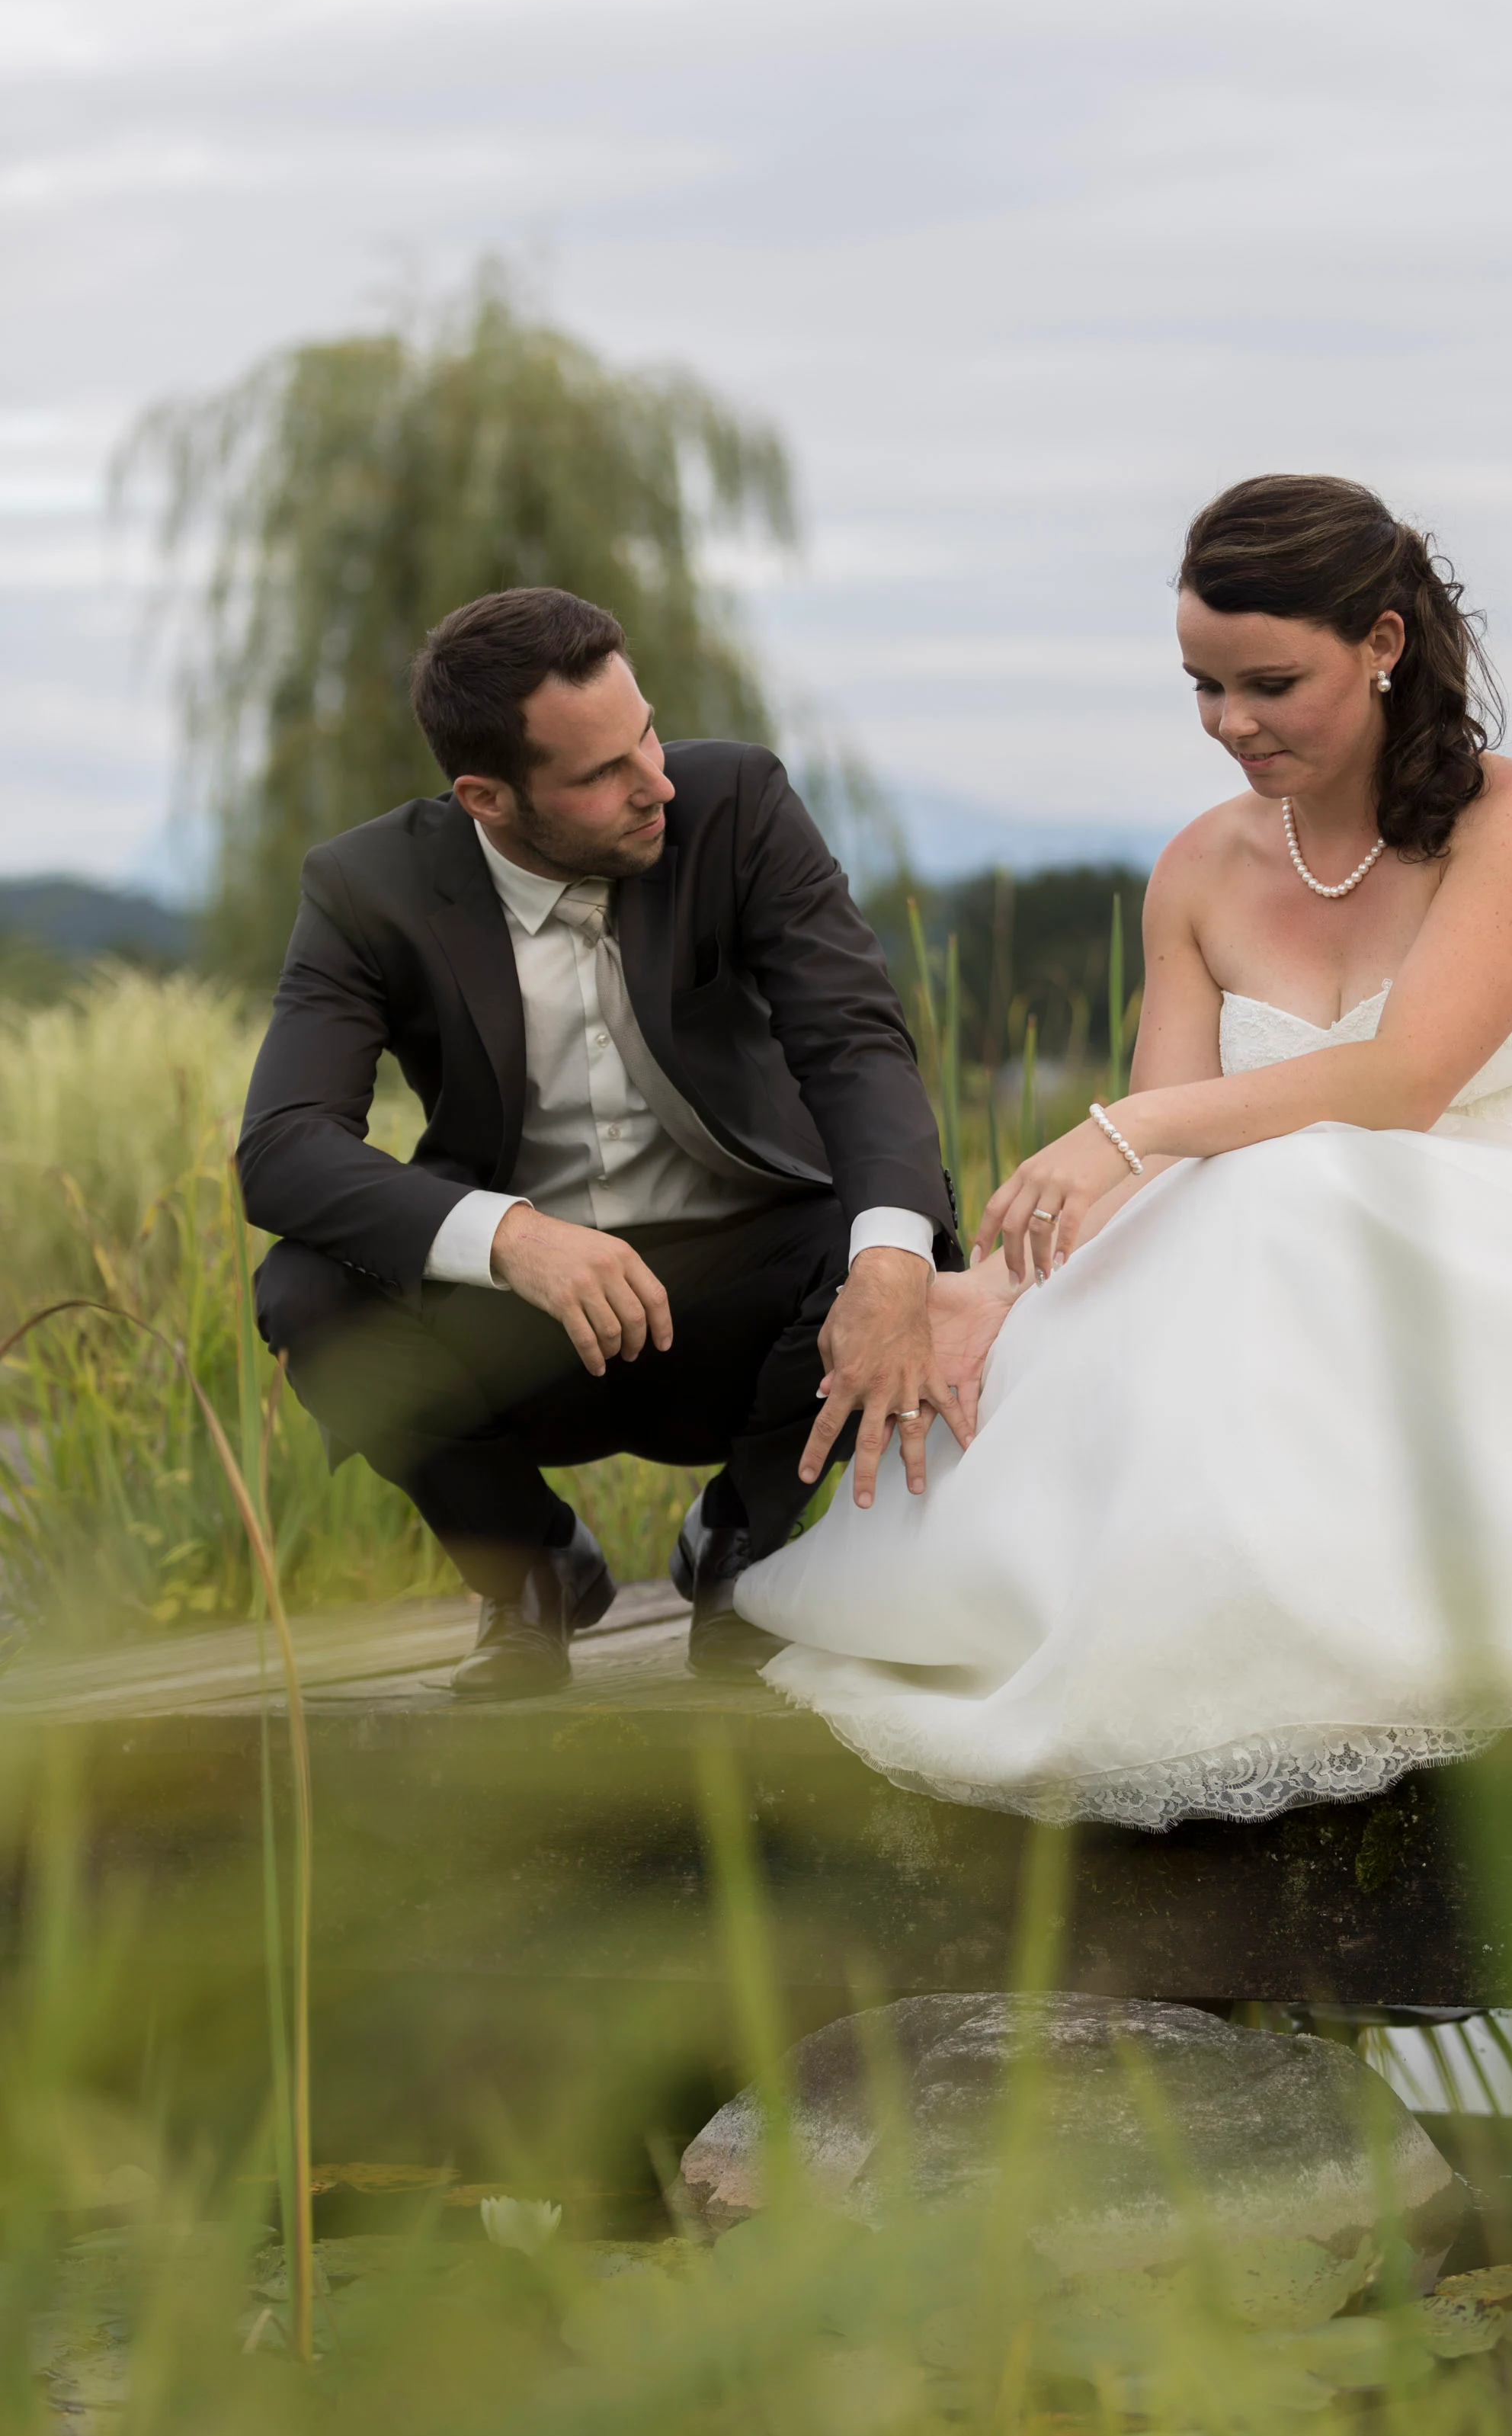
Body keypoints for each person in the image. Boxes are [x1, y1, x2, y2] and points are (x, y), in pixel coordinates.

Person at [738, 473, 1512, 1824]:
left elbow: (1399, 1081)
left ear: (1381, 646)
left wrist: (1126, 1126)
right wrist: (997, 1293)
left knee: (1289, 1182)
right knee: (1231, 1225)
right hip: (1289, 1290)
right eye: (1200, 686)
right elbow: (1155, 1173)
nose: (1230, 724)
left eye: (1268, 683)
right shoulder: (1196, 868)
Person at [239, 586, 966, 1697]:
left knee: (893, 1229)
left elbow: (853, 1042)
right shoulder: (366, 886)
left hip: (748, 1304)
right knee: (307, 1290)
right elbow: (283, 1147)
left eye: (650, 736)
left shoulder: (735, 805)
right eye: (601, 774)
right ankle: (528, 1572)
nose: (655, 783)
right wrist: (511, 1236)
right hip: (525, 1327)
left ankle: (742, 1549)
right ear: (485, 796)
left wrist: (888, 1257)